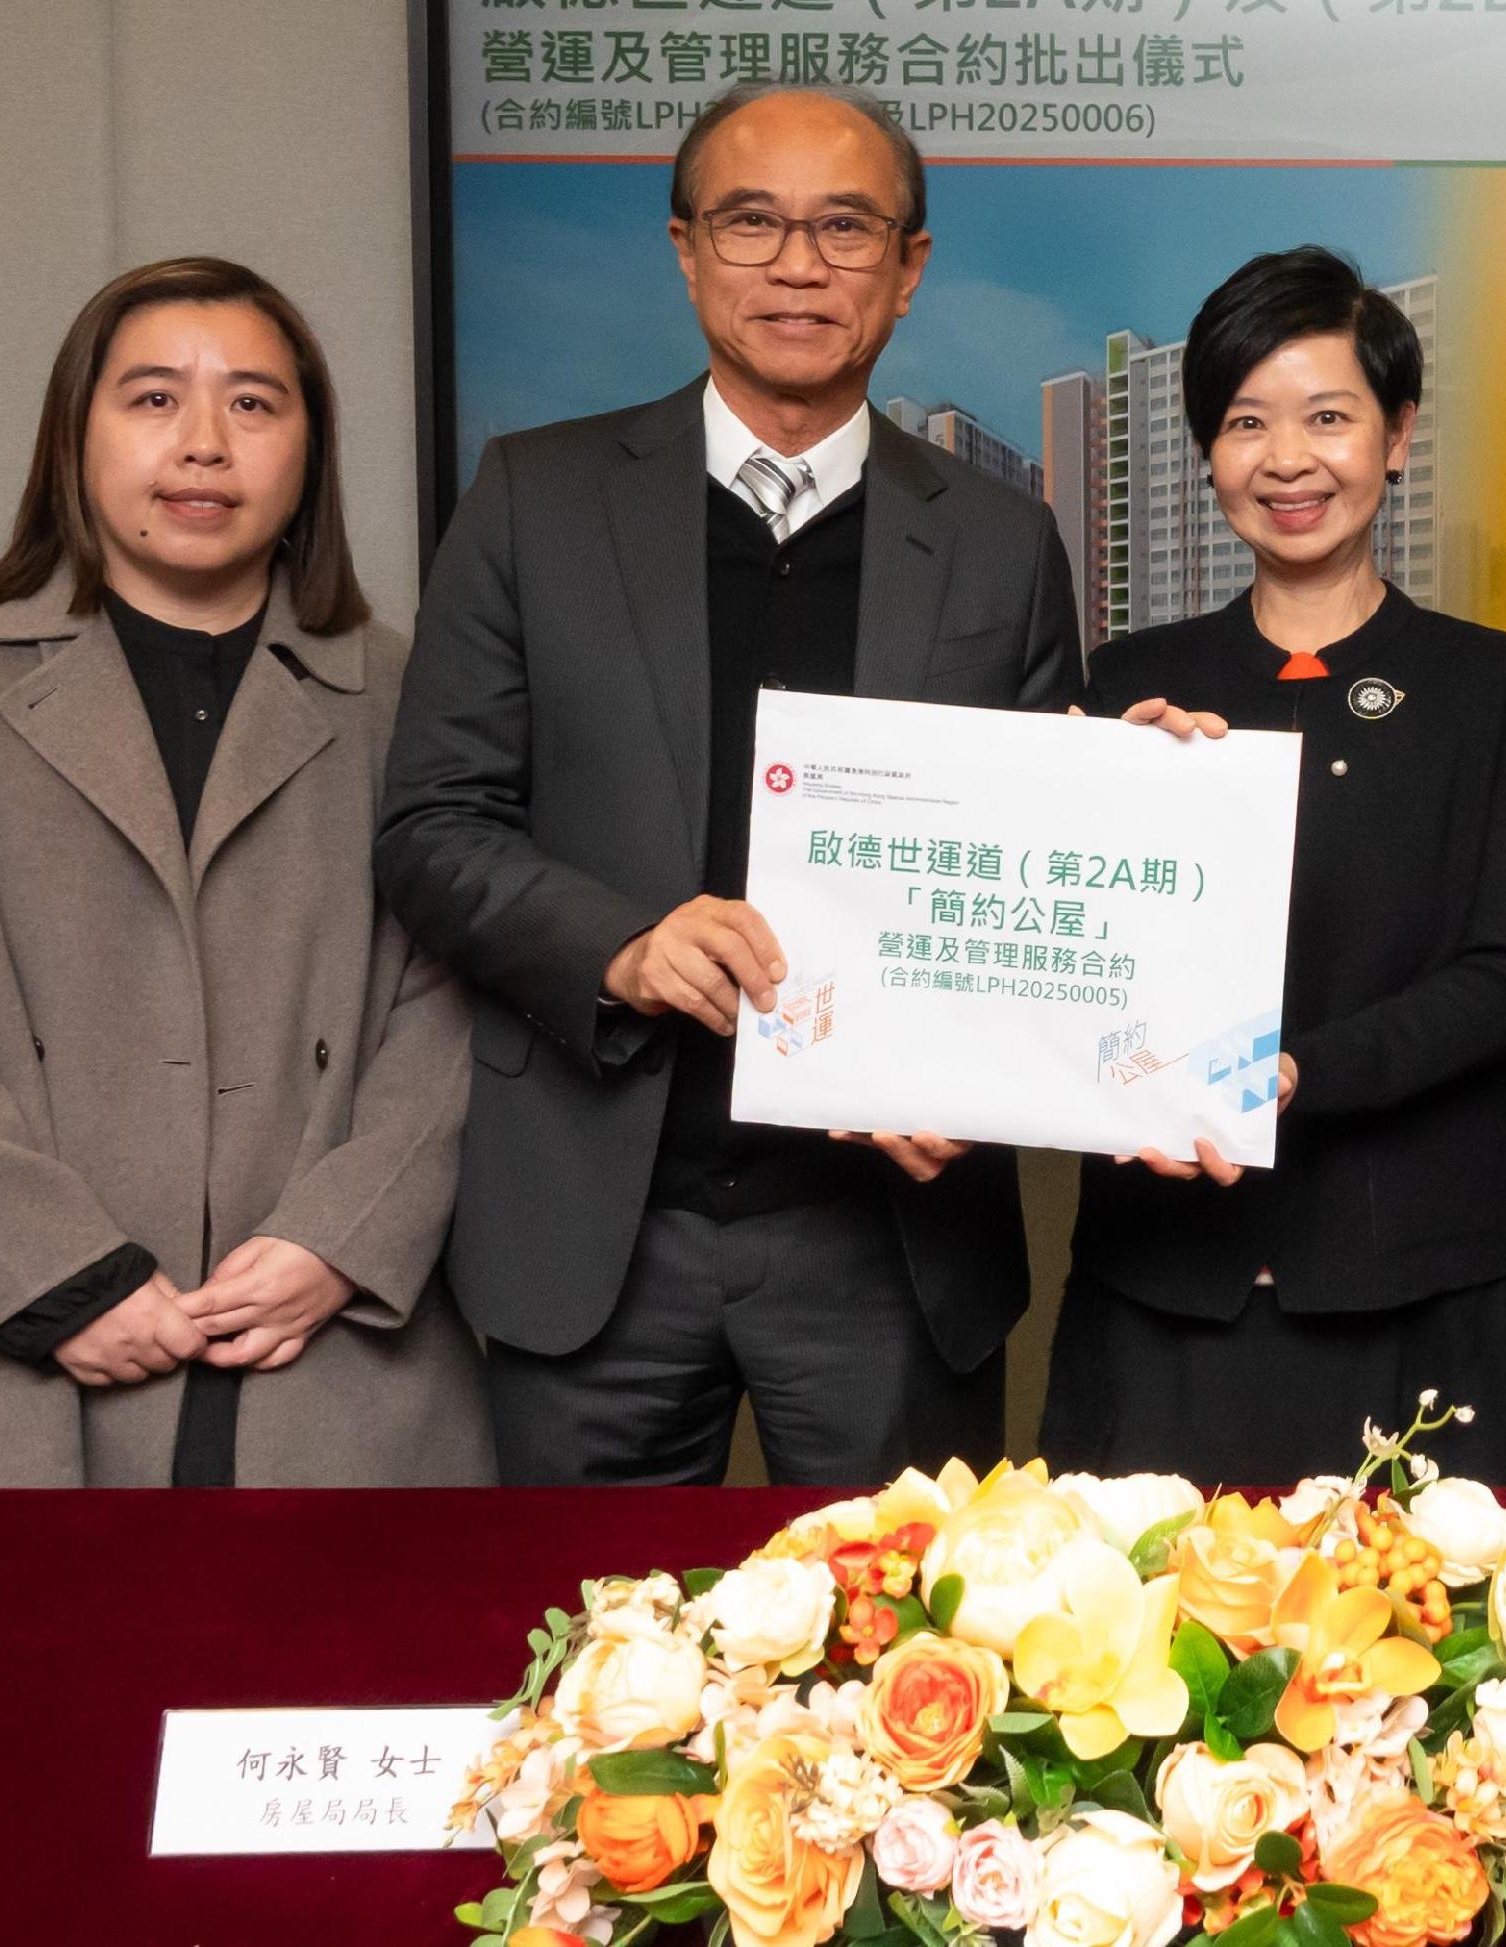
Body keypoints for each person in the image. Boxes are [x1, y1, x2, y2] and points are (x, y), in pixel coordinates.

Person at [379, 85, 1085, 1486]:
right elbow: (430, 824)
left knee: (914, 1674)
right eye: (752, 221)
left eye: (846, 225)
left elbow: (1037, 871)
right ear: (687, 248)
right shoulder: (535, 496)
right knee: (588, 1677)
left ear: (910, 265)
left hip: (886, 1233)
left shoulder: (1003, 543)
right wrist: (619, 947)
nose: (800, 263)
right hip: (597, 1215)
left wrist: (1143, 785)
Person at [0, 258, 485, 1485]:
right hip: (16, 1373)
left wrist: (344, 1238)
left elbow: (463, 1000)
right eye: (153, 399)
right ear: (76, 431)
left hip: (328, 1359)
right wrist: (55, 1274)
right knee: (11, 1674)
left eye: (255, 404)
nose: (205, 443)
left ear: (309, 448)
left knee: (347, 1662)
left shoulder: (407, 695)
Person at [1041, 249, 1506, 1487]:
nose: (1288, 460)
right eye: (1244, 423)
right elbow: (1065, 974)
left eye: (1328, 417)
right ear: (1205, 453)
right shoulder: (1126, 689)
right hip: (1164, 1281)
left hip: (1412, 1276)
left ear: (1397, 437)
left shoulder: (1488, 685)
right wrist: (1096, 807)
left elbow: (1505, 975)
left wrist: (1296, 1074)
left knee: (1436, 1661)